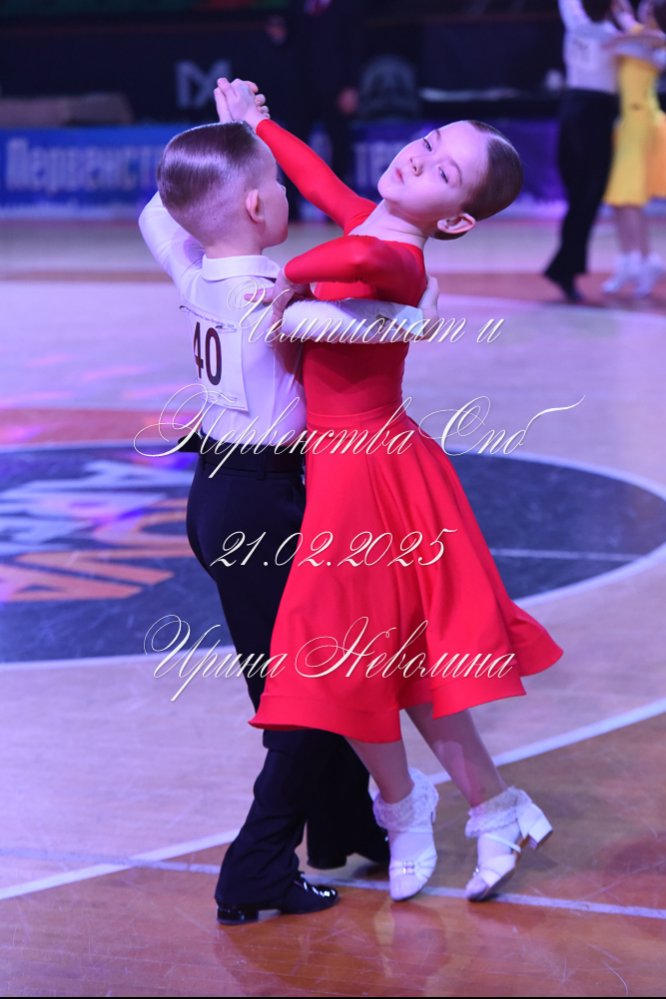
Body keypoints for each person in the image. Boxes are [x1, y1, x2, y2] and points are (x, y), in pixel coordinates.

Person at [216, 77, 564, 905]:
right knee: (374, 656)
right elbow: (318, 181)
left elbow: (364, 260)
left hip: (376, 473)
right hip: (348, 471)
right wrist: (261, 125)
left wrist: (292, 276)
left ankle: (424, 809)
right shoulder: (368, 221)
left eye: (444, 171)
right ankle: (466, 807)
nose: (419, 157)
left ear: (458, 221)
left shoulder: (400, 257)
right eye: (429, 142)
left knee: (360, 652)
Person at [138, 112, 431, 924]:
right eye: (274, 181)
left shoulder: (195, 268)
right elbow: (378, 318)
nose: (283, 191)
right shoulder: (271, 291)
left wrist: (218, 143)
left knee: (298, 673)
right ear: (259, 207)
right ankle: (255, 866)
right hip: (264, 505)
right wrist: (423, 306)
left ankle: (341, 828)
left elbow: (157, 212)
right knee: (310, 688)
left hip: (217, 495)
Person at [544, 0, 629, 303]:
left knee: (580, 198)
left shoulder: (576, 24)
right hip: (593, 117)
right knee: (587, 197)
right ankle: (564, 269)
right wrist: (625, 17)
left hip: (571, 112)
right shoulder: (613, 36)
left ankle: (564, 268)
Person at [601, 0, 666, 297]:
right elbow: (624, 21)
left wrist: (623, 37)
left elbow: (650, 42)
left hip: (642, 123)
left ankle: (645, 260)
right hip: (628, 123)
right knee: (619, 199)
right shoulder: (639, 35)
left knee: (629, 198)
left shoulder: (656, 44)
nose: (644, 10)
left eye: (651, 9)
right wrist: (622, 19)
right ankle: (631, 260)